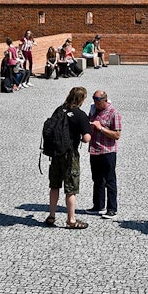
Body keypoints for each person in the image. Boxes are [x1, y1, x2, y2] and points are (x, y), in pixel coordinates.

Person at [45, 87, 93, 229]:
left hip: (55, 154)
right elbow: (86, 139)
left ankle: (51, 216)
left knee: (54, 185)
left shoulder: (60, 110)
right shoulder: (80, 115)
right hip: (70, 154)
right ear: (82, 99)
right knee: (70, 189)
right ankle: (71, 220)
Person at [88, 90, 122, 219]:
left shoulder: (114, 113)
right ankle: (98, 205)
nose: (95, 103)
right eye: (94, 100)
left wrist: (100, 128)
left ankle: (112, 208)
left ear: (104, 100)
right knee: (97, 180)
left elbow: (117, 135)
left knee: (110, 180)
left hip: (108, 151)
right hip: (94, 150)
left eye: (97, 101)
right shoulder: (93, 110)